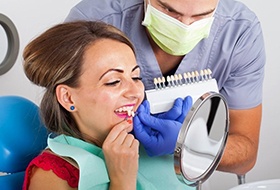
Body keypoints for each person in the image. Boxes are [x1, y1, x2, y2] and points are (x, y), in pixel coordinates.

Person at [65, 0, 266, 176]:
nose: (185, 26)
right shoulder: (94, 21)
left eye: (201, 15)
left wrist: (190, 144)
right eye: (169, 11)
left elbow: (245, 156)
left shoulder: (239, 31)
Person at [22, 21, 193, 189]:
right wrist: (121, 181)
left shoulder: (149, 145)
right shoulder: (51, 176)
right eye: (113, 82)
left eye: (136, 77)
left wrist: (186, 150)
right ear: (68, 98)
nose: (135, 92)